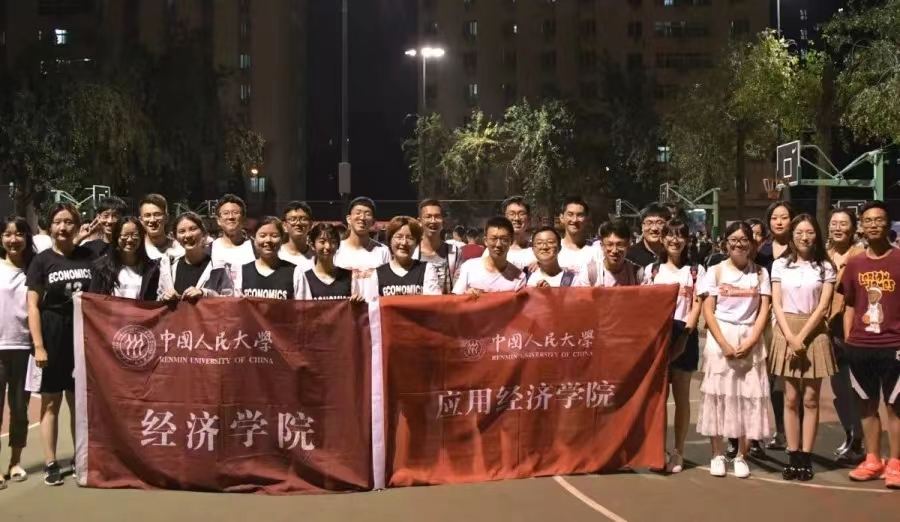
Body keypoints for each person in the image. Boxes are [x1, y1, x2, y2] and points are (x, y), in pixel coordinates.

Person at [26, 203, 95, 486]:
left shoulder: (89, 256)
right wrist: (39, 345)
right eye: (57, 222)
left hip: (83, 332)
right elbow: (32, 305)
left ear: (77, 226)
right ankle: (51, 462)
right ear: (50, 226)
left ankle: (80, 457)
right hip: (53, 331)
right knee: (51, 401)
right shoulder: (41, 261)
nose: (63, 227)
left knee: (78, 401)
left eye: (68, 222)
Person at [697, 221, 771, 479]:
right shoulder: (715, 271)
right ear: (725, 243)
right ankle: (717, 454)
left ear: (752, 243)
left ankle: (741, 455)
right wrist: (724, 344)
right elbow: (708, 310)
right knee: (718, 397)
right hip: (721, 338)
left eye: (744, 240)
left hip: (750, 338)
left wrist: (750, 342)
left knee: (747, 398)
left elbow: (764, 310)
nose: (739, 244)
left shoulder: (760, 273)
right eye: (734, 240)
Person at [769, 214, 837, 481]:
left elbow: (823, 307)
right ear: (792, 235)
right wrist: (790, 337)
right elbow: (776, 303)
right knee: (790, 399)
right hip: (786, 330)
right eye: (799, 232)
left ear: (817, 235)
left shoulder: (825, 267)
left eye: (809, 232)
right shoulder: (779, 265)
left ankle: (806, 457)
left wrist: (802, 338)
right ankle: (793, 455)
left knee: (810, 399)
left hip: (814, 332)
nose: (804, 237)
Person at [839, 201, 900, 488]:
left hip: (894, 344)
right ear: (861, 226)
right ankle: (873, 459)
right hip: (860, 345)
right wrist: (848, 338)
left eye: (879, 220)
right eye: (868, 220)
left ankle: (896, 462)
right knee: (866, 404)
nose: (874, 224)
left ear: (888, 224)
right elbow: (849, 304)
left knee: (895, 405)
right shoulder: (855, 263)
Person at [642, 218, 705, 474]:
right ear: (663, 238)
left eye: (680, 235)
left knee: (681, 398)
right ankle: (659, 450)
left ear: (687, 240)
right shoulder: (652, 271)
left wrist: (684, 337)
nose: (674, 240)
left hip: (685, 335)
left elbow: (698, 305)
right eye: (670, 235)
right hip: (659, 337)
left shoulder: (696, 271)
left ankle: (679, 451)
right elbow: (645, 305)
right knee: (659, 400)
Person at [743, 201, 795, 457]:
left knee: (789, 383)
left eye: (784, 217)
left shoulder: (799, 250)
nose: (779, 222)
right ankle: (757, 435)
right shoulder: (761, 252)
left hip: (791, 319)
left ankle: (788, 433)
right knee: (763, 379)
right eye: (774, 217)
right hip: (762, 319)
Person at [827, 208, 866, 463]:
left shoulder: (861, 255)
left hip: (854, 329)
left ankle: (861, 439)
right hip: (829, 329)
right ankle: (851, 435)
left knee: (859, 388)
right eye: (834, 223)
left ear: (853, 228)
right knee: (839, 388)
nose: (838, 228)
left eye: (843, 224)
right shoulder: (824, 255)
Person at [0, 217, 36, 489]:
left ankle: (15, 462)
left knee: (20, 409)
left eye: (19, 234)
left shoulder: (34, 270)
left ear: (27, 237)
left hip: (24, 348)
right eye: (7, 234)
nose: (13, 240)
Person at [158, 213, 233, 301]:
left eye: (193, 229)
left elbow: (230, 299)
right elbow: (159, 295)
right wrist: (164, 297)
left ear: (203, 233)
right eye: (182, 231)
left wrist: (205, 293)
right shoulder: (168, 266)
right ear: (176, 237)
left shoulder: (218, 267)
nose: (188, 235)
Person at [363, 216, 441, 299]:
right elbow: (372, 304)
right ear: (390, 240)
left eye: (410, 238)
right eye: (399, 237)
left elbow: (433, 302)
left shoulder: (427, 270)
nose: (404, 242)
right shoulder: (378, 274)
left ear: (417, 243)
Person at [88, 217, 160, 301]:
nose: (129, 240)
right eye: (125, 235)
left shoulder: (151, 269)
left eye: (134, 235)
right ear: (116, 237)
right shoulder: (102, 268)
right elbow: (93, 300)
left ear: (141, 238)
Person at [454, 216, 526, 296]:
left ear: (511, 241)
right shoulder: (469, 267)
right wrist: (465, 296)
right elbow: (455, 299)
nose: (498, 244)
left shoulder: (519, 277)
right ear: (485, 241)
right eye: (493, 239)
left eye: (504, 239)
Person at [236, 218, 303, 300]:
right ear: (254, 238)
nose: (268, 240)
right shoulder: (242, 271)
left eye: (274, 236)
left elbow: (304, 306)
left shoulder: (295, 272)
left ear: (282, 239)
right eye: (262, 235)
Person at [298, 223, 364, 301]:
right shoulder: (305, 277)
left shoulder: (349, 277)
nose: (328, 246)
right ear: (312, 245)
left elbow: (358, 304)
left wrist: (358, 303)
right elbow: (301, 306)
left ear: (338, 245)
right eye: (322, 242)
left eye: (332, 241)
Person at [333, 197, 390, 277]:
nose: (362, 217)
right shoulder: (336, 249)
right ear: (349, 219)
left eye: (367, 214)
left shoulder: (383, 251)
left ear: (373, 221)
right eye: (358, 213)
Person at [210, 194, 256, 288]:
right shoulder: (209, 249)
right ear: (218, 220)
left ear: (243, 218)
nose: (231, 217)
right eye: (226, 213)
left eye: (235, 212)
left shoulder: (256, 248)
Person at [414, 199, 460, 294]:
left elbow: (459, 287)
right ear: (419, 221)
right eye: (428, 217)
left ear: (443, 221)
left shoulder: (454, 252)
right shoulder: (412, 252)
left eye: (437, 216)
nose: (433, 221)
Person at [483, 196, 536, 271]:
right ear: (505, 217)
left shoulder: (538, 248)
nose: (516, 218)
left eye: (521, 214)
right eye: (512, 214)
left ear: (529, 218)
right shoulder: (494, 249)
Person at [557, 196, 600, 285]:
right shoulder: (552, 250)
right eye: (570, 214)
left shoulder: (597, 251)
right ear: (561, 218)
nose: (575, 220)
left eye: (580, 215)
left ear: (587, 219)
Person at [594, 220, 643, 287]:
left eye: (620, 245)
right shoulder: (591, 272)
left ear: (628, 246)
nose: (614, 251)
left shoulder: (637, 273)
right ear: (602, 245)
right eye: (609, 244)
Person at [625, 203, 671, 274]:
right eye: (649, 223)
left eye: (659, 223)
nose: (654, 228)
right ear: (642, 227)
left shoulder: (673, 253)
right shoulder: (630, 256)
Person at [139, 194, 184, 261]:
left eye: (157, 215)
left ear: (166, 218)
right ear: (141, 220)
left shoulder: (180, 249)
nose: (152, 220)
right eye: (147, 215)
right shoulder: (136, 250)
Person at [279, 201, 315, 271]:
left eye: (303, 219)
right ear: (284, 225)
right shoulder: (277, 254)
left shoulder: (316, 257)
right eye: (293, 219)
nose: (298, 223)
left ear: (310, 225)